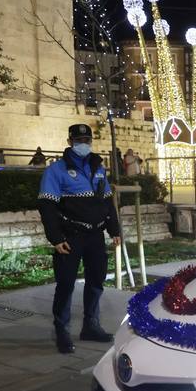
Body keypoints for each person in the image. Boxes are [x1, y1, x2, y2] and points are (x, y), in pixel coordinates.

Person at [37, 123, 122, 354]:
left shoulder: (97, 168)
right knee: (65, 284)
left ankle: (90, 326)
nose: (83, 145)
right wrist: (55, 238)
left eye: (86, 141)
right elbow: (47, 207)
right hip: (70, 238)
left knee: (96, 282)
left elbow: (106, 202)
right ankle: (62, 330)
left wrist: (114, 230)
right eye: (78, 141)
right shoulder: (56, 171)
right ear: (69, 142)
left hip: (95, 236)